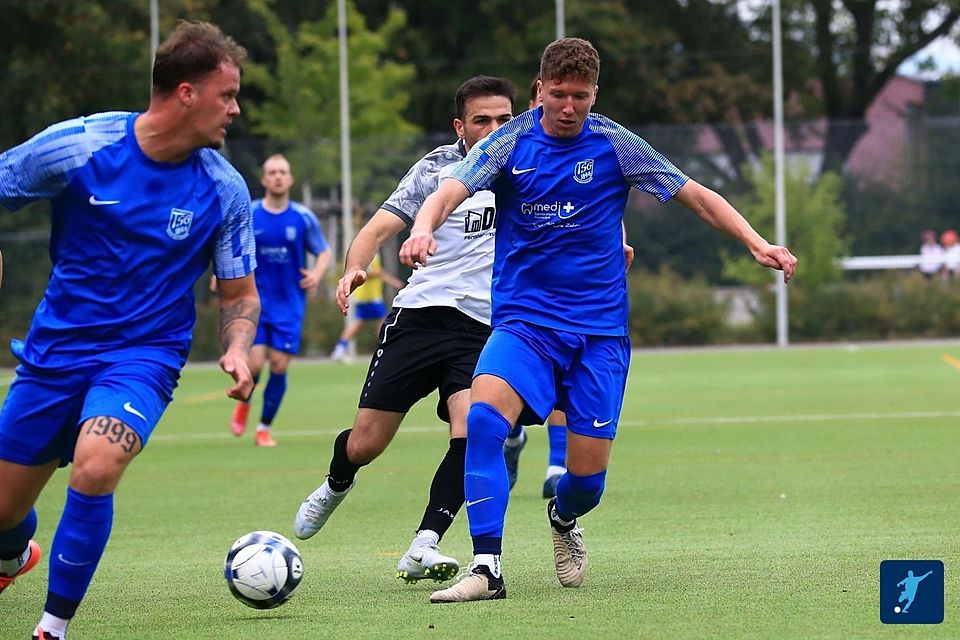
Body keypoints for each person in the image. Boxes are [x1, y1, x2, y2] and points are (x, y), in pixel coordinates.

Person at [400, 37, 797, 603]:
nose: (568, 107)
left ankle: (564, 520)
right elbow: (451, 187)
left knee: (585, 483)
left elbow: (698, 196)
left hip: (599, 336)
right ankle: (487, 567)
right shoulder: (510, 142)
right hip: (525, 325)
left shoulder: (615, 145)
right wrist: (421, 228)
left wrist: (757, 243)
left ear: (594, 94)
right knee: (484, 420)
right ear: (539, 90)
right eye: (557, 94)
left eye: (579, 96)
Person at [0, 21, 258, 640]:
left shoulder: (224, 189)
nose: (236, 109)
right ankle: (16, 552)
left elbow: (240, 294)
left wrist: (238, 347)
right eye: (227, 95)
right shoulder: (79, 147)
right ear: (187, 93)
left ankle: (52, 628)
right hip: (54, 352)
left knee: (97, 463)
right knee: (4, 512)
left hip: (142, 358)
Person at [292, 75, 517, 585]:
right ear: (461, 126)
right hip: (420, 316)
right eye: (482, 120)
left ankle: (425, 541)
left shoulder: (527, 167)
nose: (495, 129)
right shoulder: (435, 169)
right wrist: (354, 268)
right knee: (367, 443)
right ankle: (335, 482)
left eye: (504, 119)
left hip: (484, 327)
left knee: (475, 431)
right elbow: (375, 231)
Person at [225, 153, 332, 447]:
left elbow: (323, 251)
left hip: (290, 304)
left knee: (280, 365)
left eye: (282, 172)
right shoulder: (250, 213)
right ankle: (245, 401)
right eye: (271, 172)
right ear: (263, 179)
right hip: (255, 303)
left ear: (290, 179)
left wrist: (316, 274)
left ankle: (263, 427)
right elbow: (230, 245)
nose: (277, 177)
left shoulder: (302, 217)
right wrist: (223, 274)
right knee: (255, 364)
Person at [329, 252, 404, 361]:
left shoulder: (376, 254)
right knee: (375, 322)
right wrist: (379, 273)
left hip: (372, 296)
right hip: (368, 296)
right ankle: (384, 348)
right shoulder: (368, 253)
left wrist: (393, 282)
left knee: (373, 322)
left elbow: (379, 274)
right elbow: (365, 273)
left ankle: (340, 348)